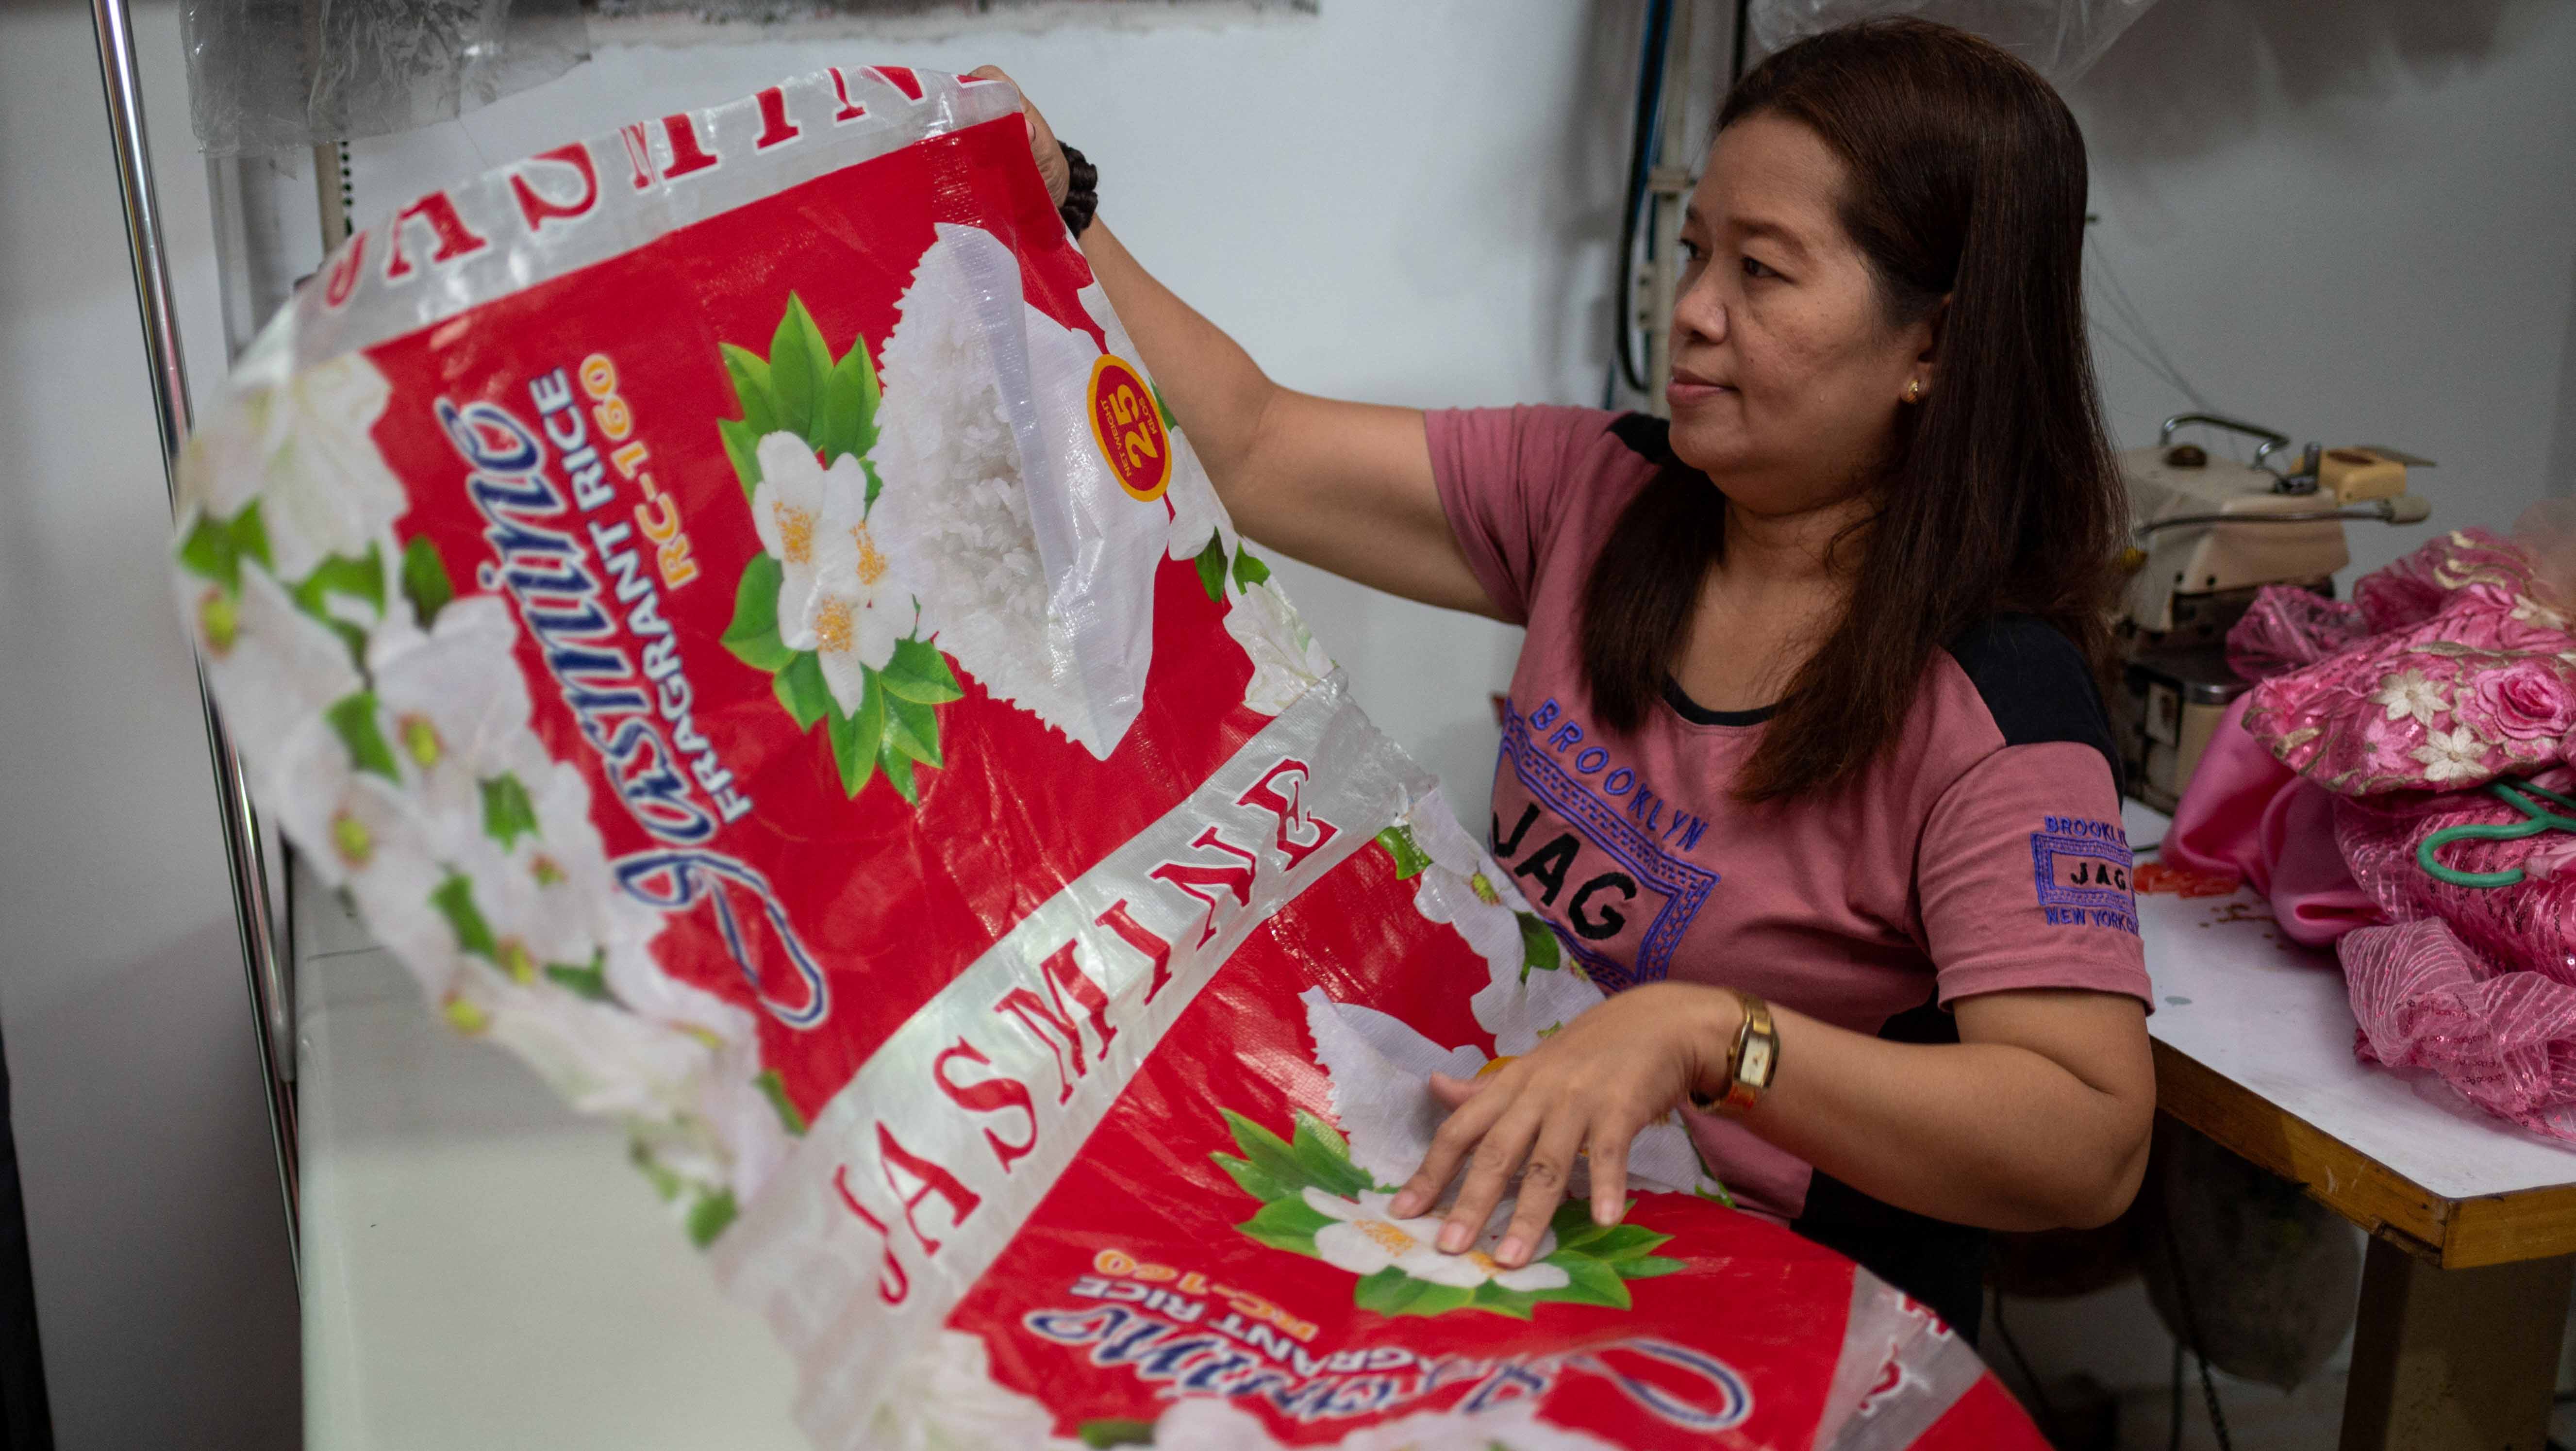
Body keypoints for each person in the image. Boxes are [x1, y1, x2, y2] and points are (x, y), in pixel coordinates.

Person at [978, 16, 2153, 1341]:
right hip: (1513, 1198)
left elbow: (2085, 1142)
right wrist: (1055, 195)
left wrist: (1712, 1038)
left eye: (1762, 272)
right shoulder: (1601, 492)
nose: (1693, 309)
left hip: (1748, 1287)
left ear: (1930, 348)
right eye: (1697, 249)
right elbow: (1250, 447)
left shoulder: (1994, 707)